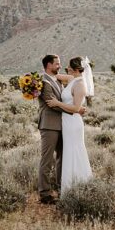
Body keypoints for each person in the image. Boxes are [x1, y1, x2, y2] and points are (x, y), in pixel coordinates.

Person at [36, 54, 85, 204]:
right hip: (49, 125)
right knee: (47, 159)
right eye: (57, 64)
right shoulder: (43, 82)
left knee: (62, 158)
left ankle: (60, 188)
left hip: (64, 125)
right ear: (49, 65)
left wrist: (74, 109)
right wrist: (75, 110)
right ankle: (44, 194)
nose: (59, 66)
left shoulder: (57, 80)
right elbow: (53, 104)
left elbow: (61, 101)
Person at [47, 56, 94, 192]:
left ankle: (79, 185)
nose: (66, 68)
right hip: (66, 123)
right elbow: (55, 76)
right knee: (68, 152)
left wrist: (57, 103)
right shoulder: (72, 79)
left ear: (74, 70)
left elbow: (75, 109)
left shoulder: (80, 85)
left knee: (75, 151)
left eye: (68, 67)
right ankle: (69, 187)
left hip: (73, 123)